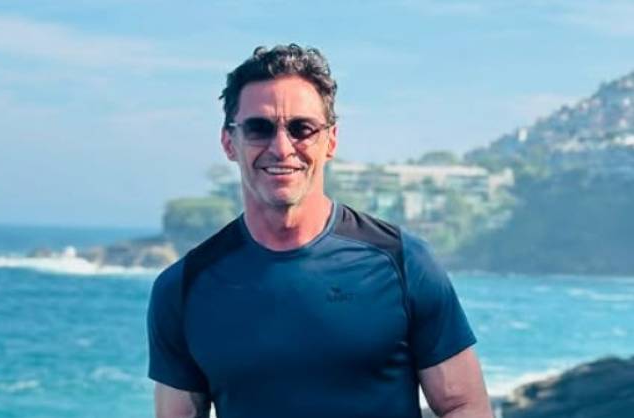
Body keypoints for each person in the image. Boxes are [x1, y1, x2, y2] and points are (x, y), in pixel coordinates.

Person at [147, 44, 493, 418]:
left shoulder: (404, 262)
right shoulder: (182, 287)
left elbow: (464, 405)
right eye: (259, 128)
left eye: (302, 129)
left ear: (330, 141)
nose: (282, 147)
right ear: (229, 142)